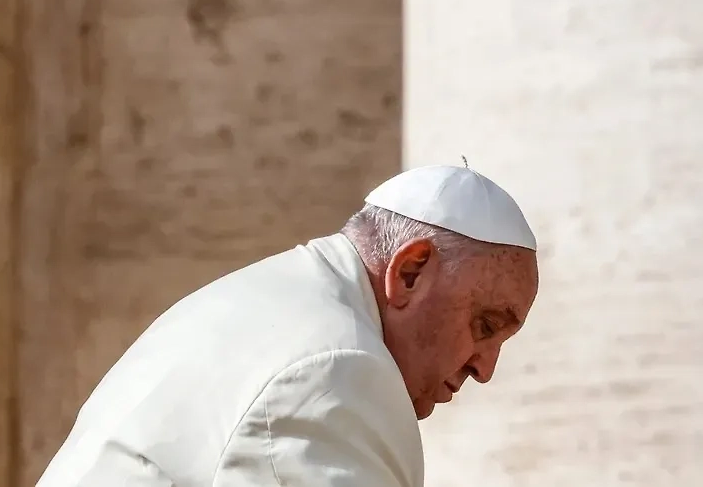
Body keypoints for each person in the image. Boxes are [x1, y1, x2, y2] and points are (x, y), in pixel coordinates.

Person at [35, 164, 540, 487]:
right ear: (409, 272)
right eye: (485, 324)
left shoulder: (265, 303)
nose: (485, 368)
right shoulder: (335, 370)